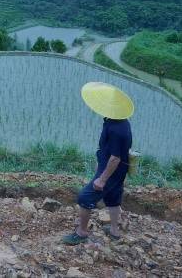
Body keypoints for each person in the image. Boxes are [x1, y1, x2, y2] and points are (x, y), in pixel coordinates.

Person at [62, 81, 133, 245]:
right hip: (118, 170)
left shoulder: (116, 129)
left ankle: (81, 232)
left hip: (111, 170)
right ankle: (114, 231)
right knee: (113, 198)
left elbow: (115, 158)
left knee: (85, 197)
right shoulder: (121, 121)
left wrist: (102, 179)